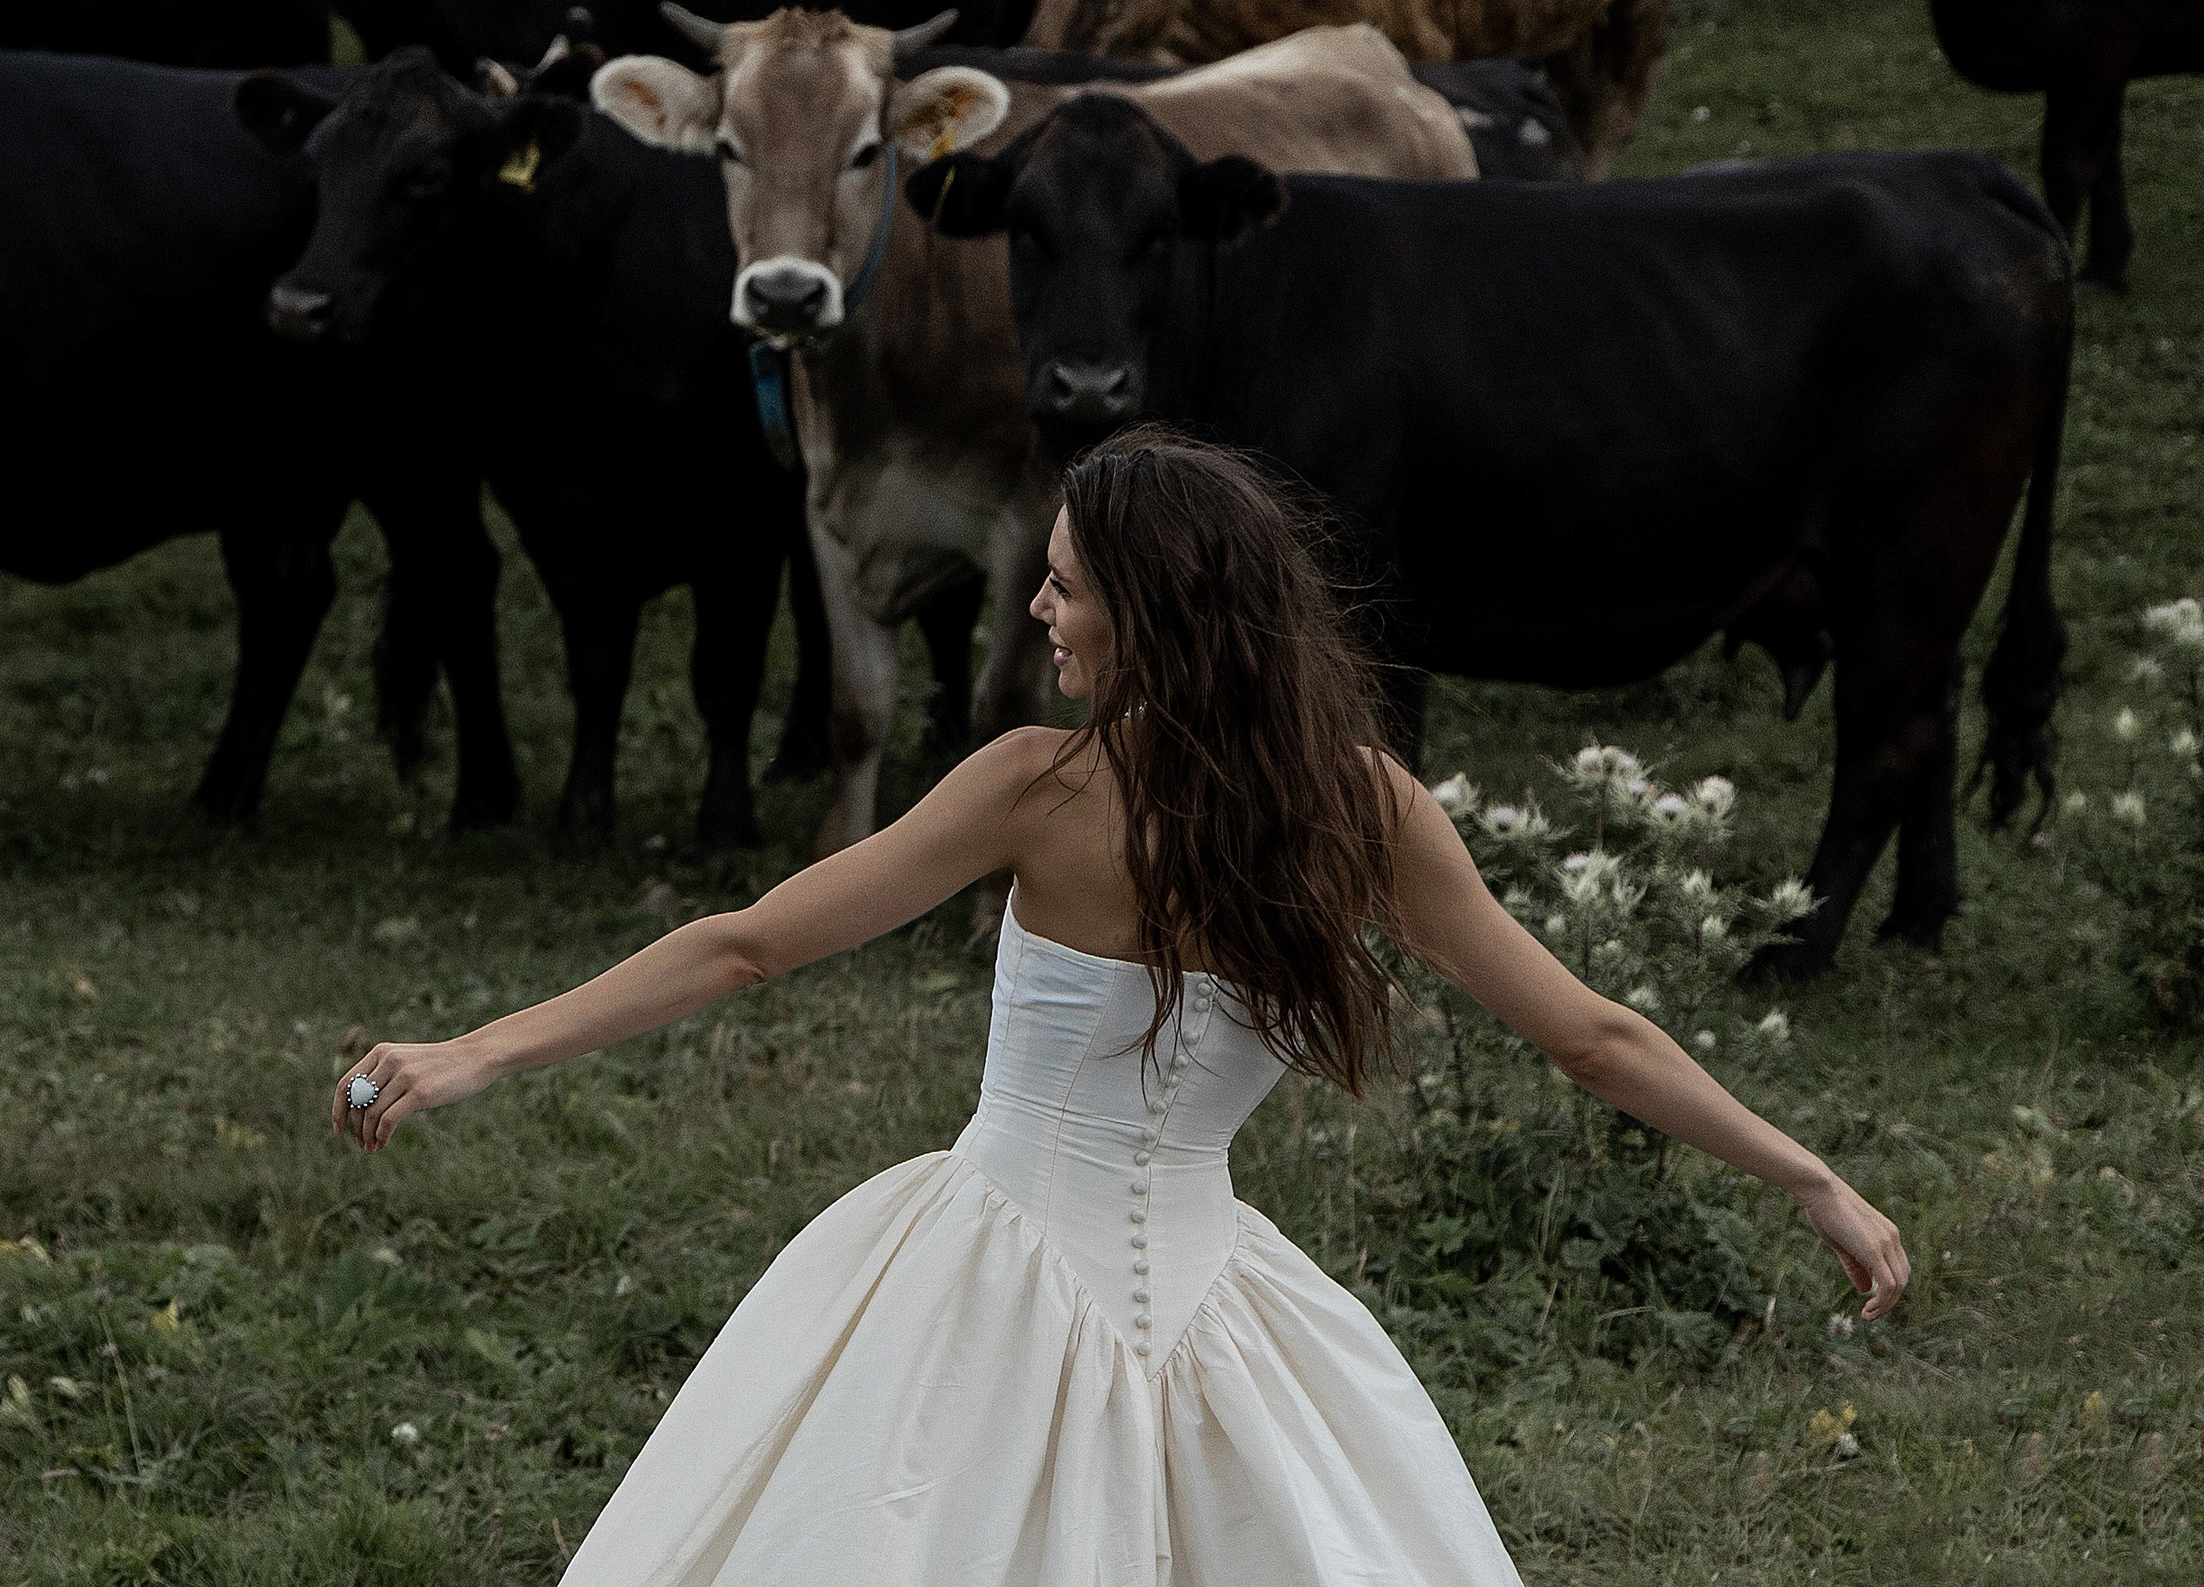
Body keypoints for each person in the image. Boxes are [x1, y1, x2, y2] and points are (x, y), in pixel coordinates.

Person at [332, 428, 1910, 1585]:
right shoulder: (1365, 805)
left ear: (1153, 611)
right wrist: (1810, 1175)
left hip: (982, 1272)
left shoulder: (1038, 786)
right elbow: (1593, 1036)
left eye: (1068, 586)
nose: (1038, 609)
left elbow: (748, 945)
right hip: (1221, 1294)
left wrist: (475, 1051)